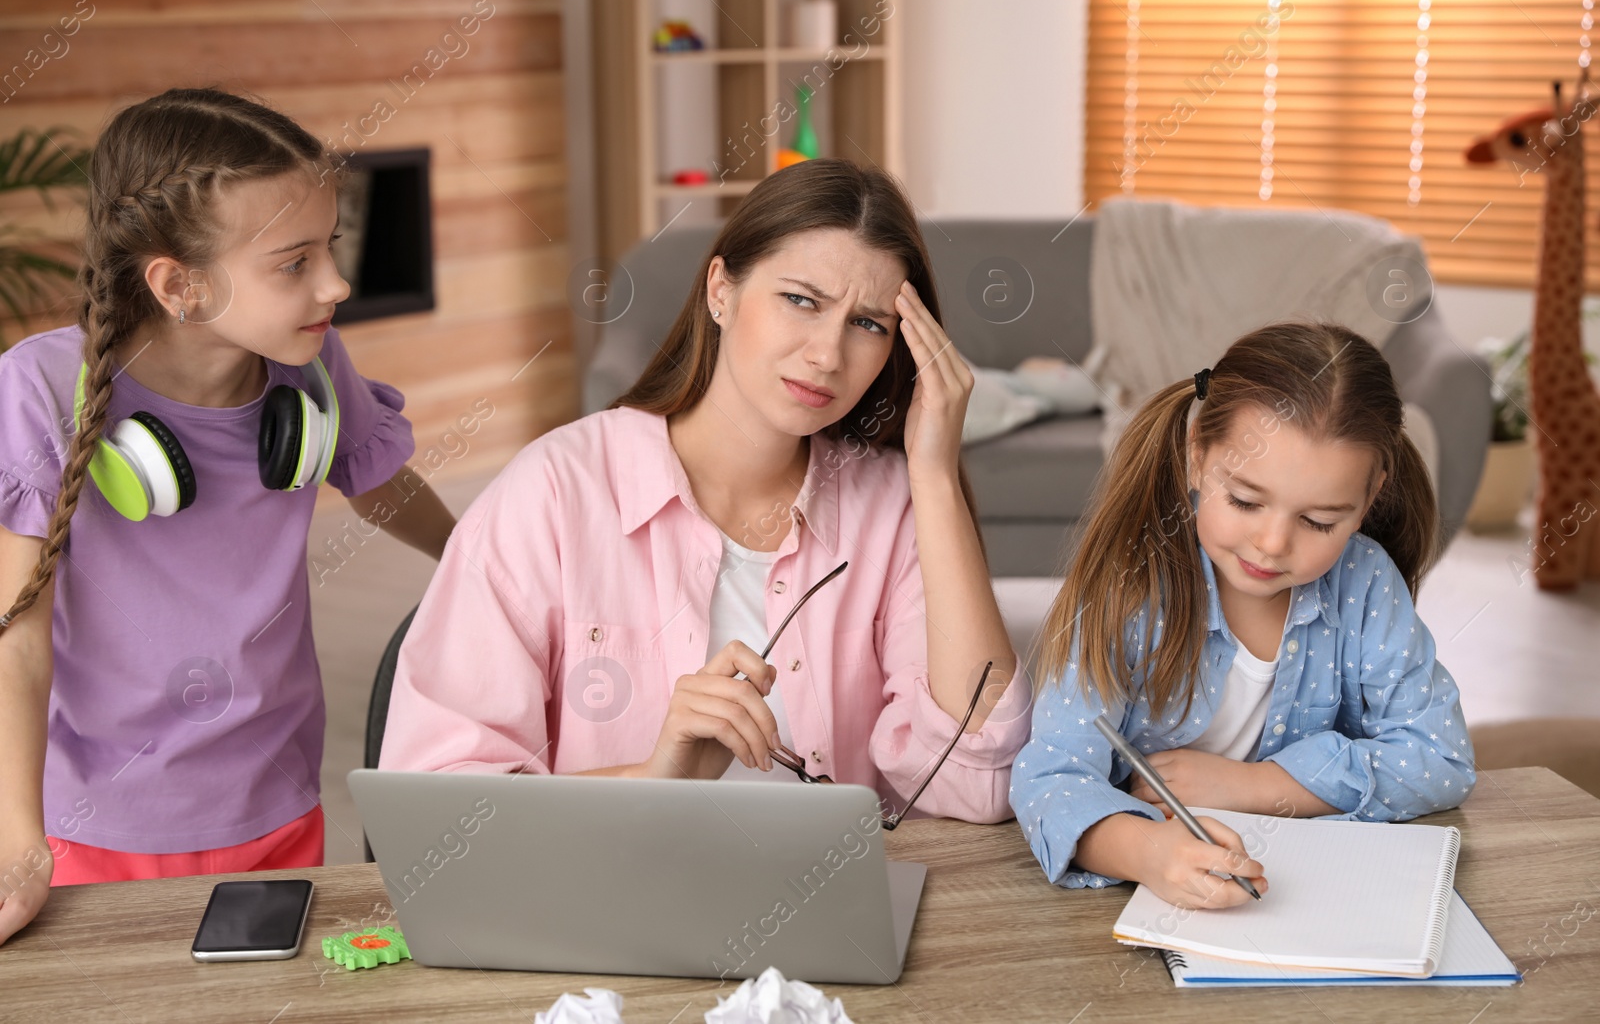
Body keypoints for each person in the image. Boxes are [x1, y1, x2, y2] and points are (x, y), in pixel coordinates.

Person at [380, 158, 1030, 820]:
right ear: (721, 290)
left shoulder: (893, 505)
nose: (828, 355)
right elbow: (437, 806)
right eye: (801, 300)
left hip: (829, 905)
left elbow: (980, 785)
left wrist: (936, 478)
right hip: (614, 910)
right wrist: (654, 777)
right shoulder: (554, 491)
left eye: (868, 324)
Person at [0, 88, 456, 944]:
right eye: (293, 263)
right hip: (97, 829)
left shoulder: (310, 367)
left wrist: (481, 556)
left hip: (276, 806)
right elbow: (16, 638)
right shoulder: (38, 389)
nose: (336, 283)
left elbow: (374, 478)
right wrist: (14, 836)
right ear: (180, 285)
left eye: (333, 245)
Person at [1011, 321, 1476, 908]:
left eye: (1319, 521)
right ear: (1198, 454)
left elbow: (1441, 758)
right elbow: (1049, 779)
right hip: (1137, 899)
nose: (1273, 543)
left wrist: (1256, 787)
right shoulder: (1127, 587)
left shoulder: (1365, 581)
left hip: (1315, 894)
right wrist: (1149, 852)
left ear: (1371, 495)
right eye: (1246, 502)